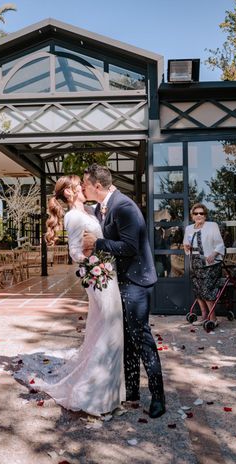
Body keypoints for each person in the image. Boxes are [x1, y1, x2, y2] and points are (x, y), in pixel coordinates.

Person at [23, 176, 124, 416]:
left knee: (108, 330)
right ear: (69, 192)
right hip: (98, 275)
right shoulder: (73, 216)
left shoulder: (90, 210)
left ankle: (109, 396)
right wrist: (97, 259)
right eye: (79, 184)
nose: (84, 186)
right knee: (108, 330)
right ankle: (92, 396)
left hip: (108, 273)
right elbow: (76, 252)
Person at [82, 164, 166, 419]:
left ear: (98, 186)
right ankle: (131, 391)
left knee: (141, 337)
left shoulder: (125, 207)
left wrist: (97, 243)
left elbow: (130, 247)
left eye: (86, 184)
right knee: (125, 336)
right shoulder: (100, 207)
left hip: (136, 281)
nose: (84, 188)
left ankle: (158, 396)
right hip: (118, 280)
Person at [183, 203, 225, 326]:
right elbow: (186, 245)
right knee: (197, 290)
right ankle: (203, 317)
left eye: (201, 213)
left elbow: (220, 244)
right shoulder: (189, 228)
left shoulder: (212, 226)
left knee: (206, 290)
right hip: (195, 262)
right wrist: (187, 247)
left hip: (210, 263)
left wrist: (214, 254)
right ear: (192, 216)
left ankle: (213, 319)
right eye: (196, 213)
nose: (199, 215)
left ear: (205, 215)